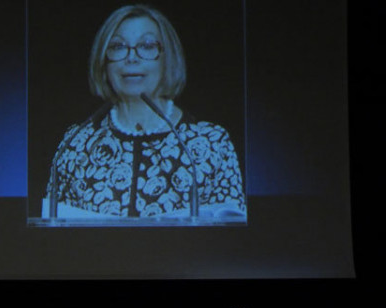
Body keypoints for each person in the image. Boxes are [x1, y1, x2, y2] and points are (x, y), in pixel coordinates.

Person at [45, 4, 246, 220]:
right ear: (104, 60)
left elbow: (234, 242)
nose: (132, 58)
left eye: (147, 45)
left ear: (167, 58)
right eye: (118, 46)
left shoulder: (212, 144)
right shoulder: (76, 144)